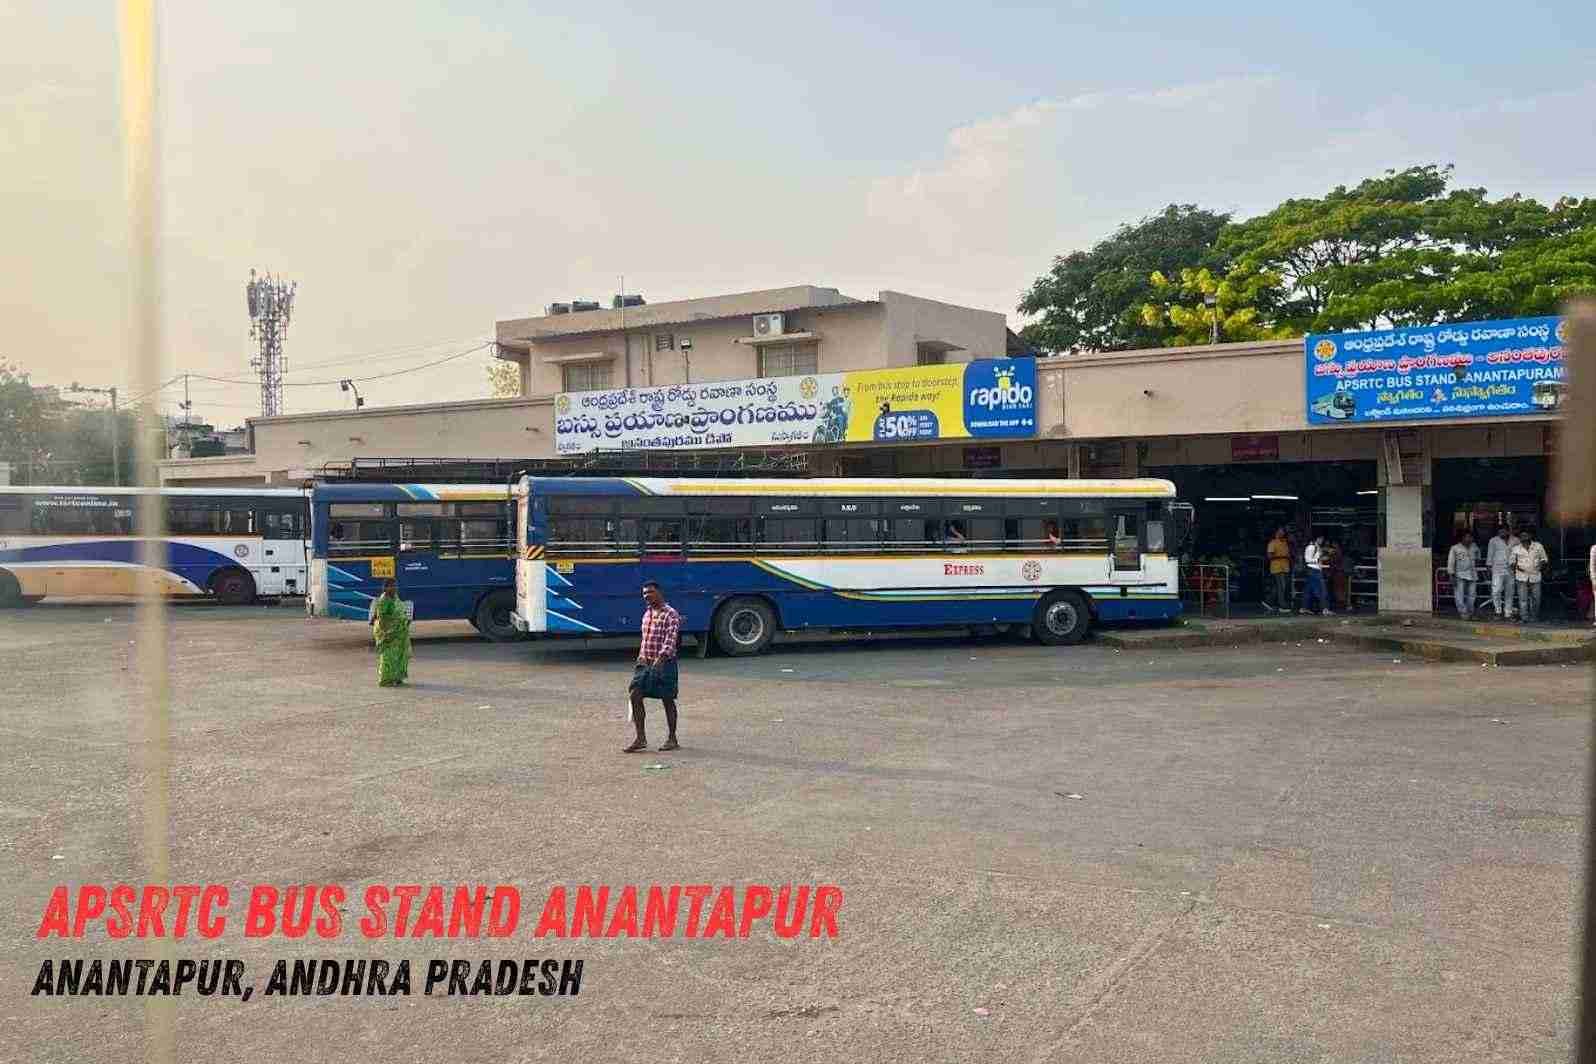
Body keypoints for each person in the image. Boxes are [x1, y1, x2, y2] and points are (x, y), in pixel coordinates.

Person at [624, 580, 682, 753]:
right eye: (644, 593)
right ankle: (640, 738)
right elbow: (645, 639)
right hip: (645, 663)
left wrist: (661, 659)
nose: (647, 596)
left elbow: (670, 641)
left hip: (664, 663)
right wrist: (641, 658)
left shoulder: (671, 614)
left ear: (659, 593)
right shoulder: (647, 613)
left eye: (650, 592)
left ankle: (672, 739)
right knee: (635, 694)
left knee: (667, 699)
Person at [371, 579, 411, 687]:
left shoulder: (395, 597)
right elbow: (382, 617)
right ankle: (386, 680)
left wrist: (405, 621)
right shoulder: (384, 600)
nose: (394, 588)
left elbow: (400, 610)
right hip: (388, 632)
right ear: (385, 588)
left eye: (395, 586)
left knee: (400, 655)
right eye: (391, 586)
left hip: (399, 631)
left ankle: (397, 677)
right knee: (388, 656)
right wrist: (386, 633)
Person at [1510, 528, 1548, 623]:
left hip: (1535, 575)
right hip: (1521, 576)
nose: (1524, 537)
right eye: (1522, 536)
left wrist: (1541, 565)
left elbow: (1544, 559)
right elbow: (1511, 562)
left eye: (1526, 535)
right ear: (1519, 538)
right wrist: (1516, 568)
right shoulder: (1516, 549)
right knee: (1523, 599)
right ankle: (1524, 618)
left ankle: (1534, 616)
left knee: (1536, 598)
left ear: (1530, 536)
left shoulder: (1538, 546)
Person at [1447, 531, 1480, 620]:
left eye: (1470, 537)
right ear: (1462, 538)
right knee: (1459, 594)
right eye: (1467, 537)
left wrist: (1475, 564)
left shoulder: (1474, 547)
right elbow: (1451, 562)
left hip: (1472, 574)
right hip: (1459, 574)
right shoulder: (1455, 548)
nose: (1469, 539)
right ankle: (1463, 612)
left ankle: (1470, 612)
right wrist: (1451, 575)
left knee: (1472, 594)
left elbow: (1478, 558)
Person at [1486, 526, 1514, 619]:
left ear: (1508, 531)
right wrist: (1489, 566)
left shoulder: (1515, 540)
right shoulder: (1493, 540)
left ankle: (1508, 612)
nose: (1502, 533)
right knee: (1496, 590)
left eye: (1503, 531)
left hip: (1511, 569)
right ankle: (1498, 610)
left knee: (1509, 592)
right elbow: (1490, 554)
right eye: (1500, 531)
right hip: (1497, 569)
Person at [1301, 534, 1331, 616]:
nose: (1322, 541)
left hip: (1314, 570)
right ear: (1317, 538)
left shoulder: (1317, 547)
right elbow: (1307, 560)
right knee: (1322, 589)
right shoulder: (1311, 547)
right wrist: (1320, 559)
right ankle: (1324, 609)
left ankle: (1304, 608)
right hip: (1313, 570)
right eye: (1321, 538)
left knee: (1308, 591)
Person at [1264, 527, 1292, 613]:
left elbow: (1288, 553)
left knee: (1279, 587)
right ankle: (1281, 606)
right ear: (1276, 532)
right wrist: (1282, 556)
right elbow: (1269, 556)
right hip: (1277, 568)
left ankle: (1268, 602)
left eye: (1283, 532)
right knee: (1281, 587)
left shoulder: (1284, 542)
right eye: (1280, 531)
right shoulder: (1272, 543)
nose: (1282, 533)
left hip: (1285, 567)